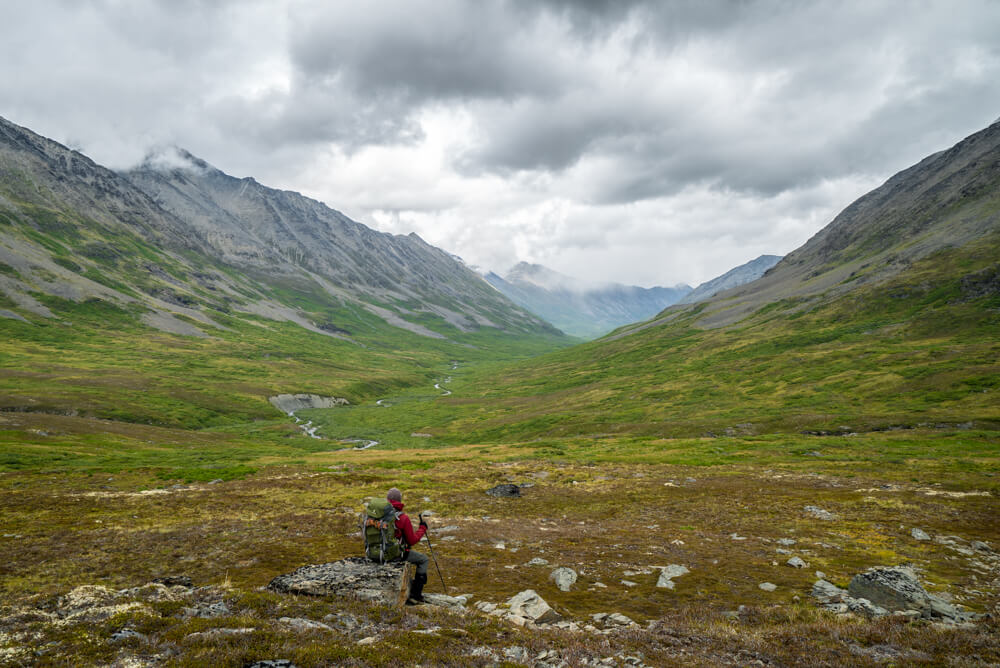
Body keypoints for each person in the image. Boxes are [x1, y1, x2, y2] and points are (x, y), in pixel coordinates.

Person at [386, 487, 430, 605]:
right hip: (396, 554)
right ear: (399, 501)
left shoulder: (378, 515)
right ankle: (415, 595)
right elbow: (411, 540)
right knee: (423, 560)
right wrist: (422, 529)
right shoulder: (402, 518)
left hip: (378, 553)